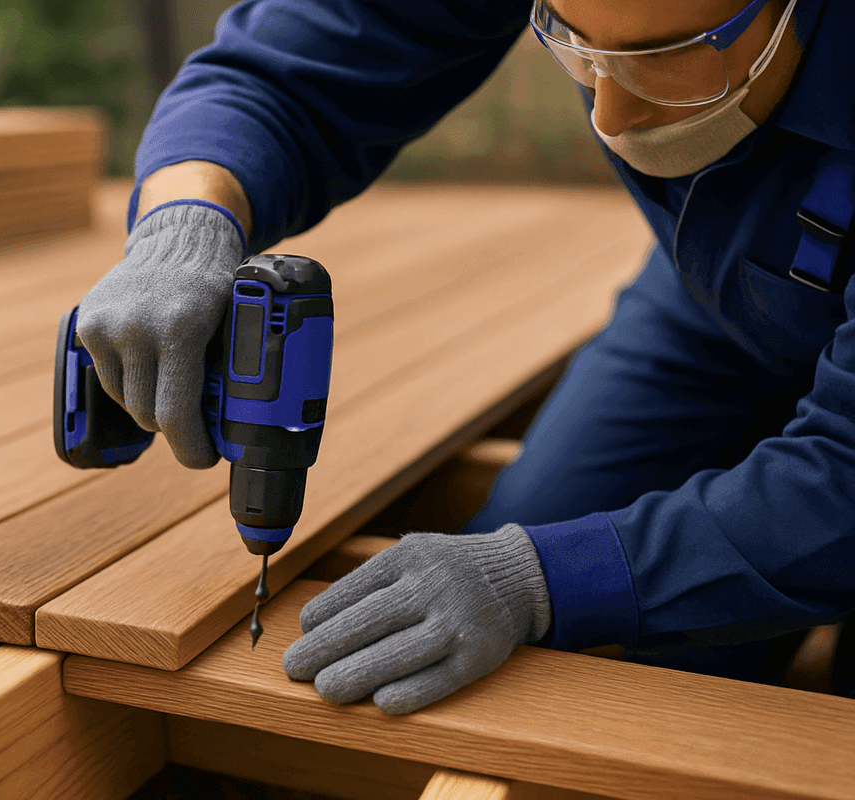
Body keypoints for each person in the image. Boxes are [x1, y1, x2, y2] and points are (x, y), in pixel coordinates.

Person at [74, 0, 855, 714]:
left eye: (668, 57)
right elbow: (298, 60)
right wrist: (186, 218)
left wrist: (542, 583)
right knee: (520, 552)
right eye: (576, 49)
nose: (608, 112)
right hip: (712, 300)